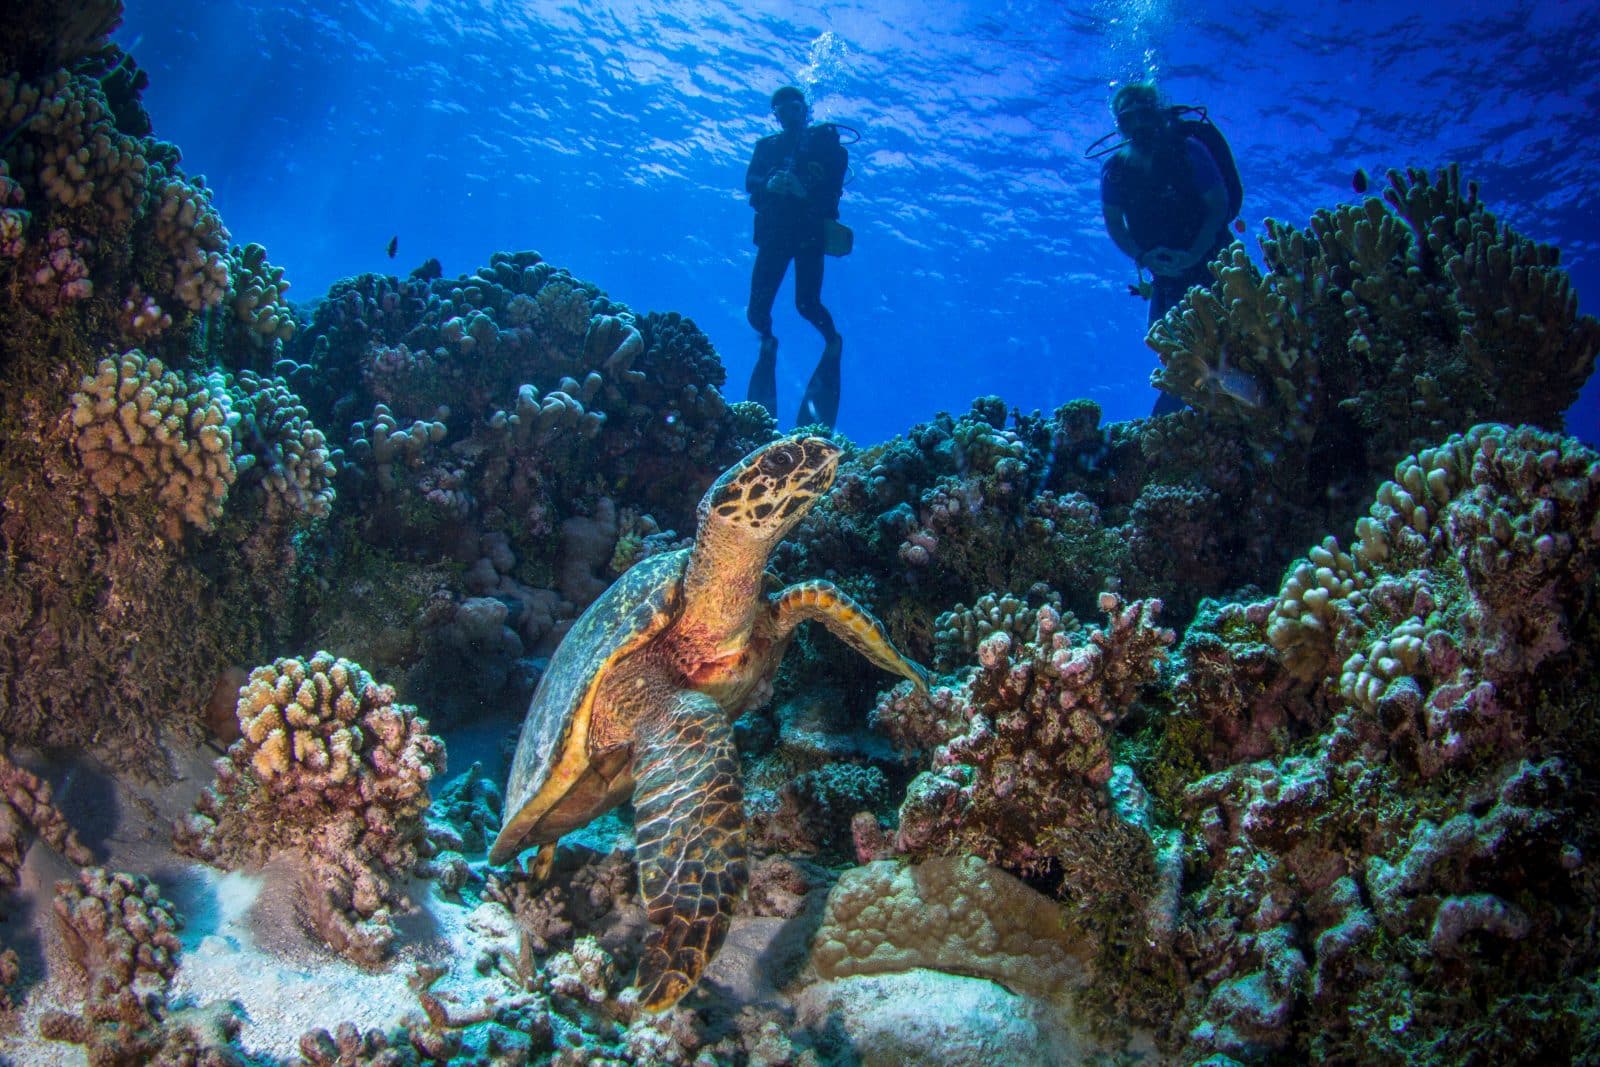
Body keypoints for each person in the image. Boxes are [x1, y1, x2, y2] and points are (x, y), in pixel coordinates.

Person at [1099, 82, 1237, 415]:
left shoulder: (1188, 152)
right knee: (1169, 347)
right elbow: (1115, 224)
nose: (1138, 125)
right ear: (1119, 125)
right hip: (1166, 275)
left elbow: (1218, 206)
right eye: (1127, 119)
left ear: (1158, 113)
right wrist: (1143, 256)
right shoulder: (1115, 172)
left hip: (1215, 262)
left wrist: (1195, 253)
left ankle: (1237, 404)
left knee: (1235, 340)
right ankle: (1193, 412)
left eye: (1144, 114)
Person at [744, 85, 849, 429]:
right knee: (756, 310)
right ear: (776, 116)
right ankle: (768, 343)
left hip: (809, 235)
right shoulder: (767, 147)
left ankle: (832, 343)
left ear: (805, 109)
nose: (789, 115)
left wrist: (804, 190)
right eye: (782, 110)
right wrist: (770, 184)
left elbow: (833, 192)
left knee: (806, 304)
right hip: (775, 234)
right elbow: (751, 186)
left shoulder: (826, 146)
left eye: (794, 107)